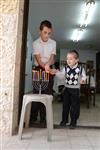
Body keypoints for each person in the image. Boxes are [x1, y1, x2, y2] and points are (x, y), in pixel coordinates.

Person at [30, 20, 57, 125]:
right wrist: (45, 66)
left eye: (49, 33)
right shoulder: (35, 43)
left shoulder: (53, 43)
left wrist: (48, 66)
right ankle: (33, 117)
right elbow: (39, 59)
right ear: (39, 31)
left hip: (48, 68)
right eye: (45, 32)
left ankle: (43, 118)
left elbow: (51, 58)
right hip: (38, 69)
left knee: (47, 94)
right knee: (37, 93)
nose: (47, 35)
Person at [56, 50, 86, 129]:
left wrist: (83, 79)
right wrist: (56, 72)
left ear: (76, 60)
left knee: (74, 107)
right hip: (67, 89)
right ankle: (64, 120)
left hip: (75, 90)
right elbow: (62, 76)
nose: (68, 60)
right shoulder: (65, 68)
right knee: (65, 106)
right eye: (67, 58)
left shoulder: (80, 69)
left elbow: (84, 76)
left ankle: (73, 122)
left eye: (71, 59)